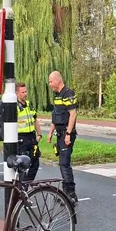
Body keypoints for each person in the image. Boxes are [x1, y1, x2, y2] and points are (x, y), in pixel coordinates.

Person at [47, 71, 78, 203]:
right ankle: (66, 193)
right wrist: (50, 132)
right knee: (62, 164)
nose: (50, 84)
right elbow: (57, 115)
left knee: (64, 164)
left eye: (50, 81)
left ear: (57, 80)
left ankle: (70, 194)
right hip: (59, 134)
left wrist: (68, 134)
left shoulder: (68, 94)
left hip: (66, 134)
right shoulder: (57, 96)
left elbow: (73, 114)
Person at [16, 82, 42, 182]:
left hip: (32, 137)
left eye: (26, 91)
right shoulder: (15, 107)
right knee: (22, 164)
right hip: (21, 138)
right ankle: (21, 187)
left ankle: (26, 185)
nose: (25, 93)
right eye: (22, 92)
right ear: (17, 93)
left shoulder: (29, 104)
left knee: (35, 163)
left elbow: (35, 120)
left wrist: (39, 134)